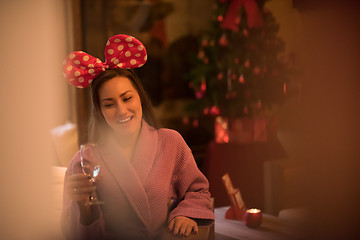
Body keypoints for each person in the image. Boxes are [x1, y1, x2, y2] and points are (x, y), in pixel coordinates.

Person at [61, 34, 214, 240]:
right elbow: (75, 233)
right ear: (100, 112)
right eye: (109, 104)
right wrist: (82, 206)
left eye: (127, 98)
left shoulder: (171, 142)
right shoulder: (84, 162)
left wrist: (185, 214)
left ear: (140, 97)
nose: (121, 111)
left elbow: (198, 191)